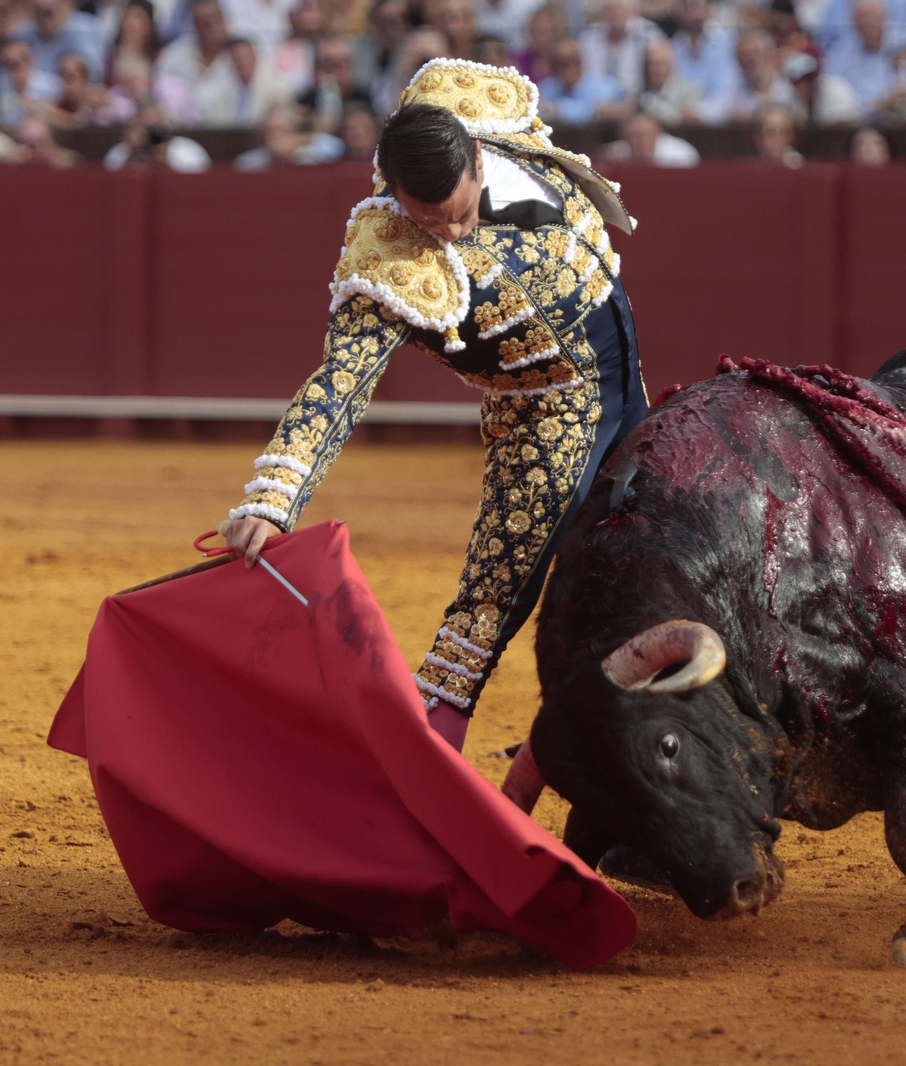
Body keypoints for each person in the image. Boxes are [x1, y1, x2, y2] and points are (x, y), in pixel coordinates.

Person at [221, 59, 647, 765]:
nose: (447, 237)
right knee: (492, 601)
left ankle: (608, 741)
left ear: (478, 160)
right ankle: (417, 757)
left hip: (625, 378)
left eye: (458, 214)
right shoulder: (388, 260)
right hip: (545, 420)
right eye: (428, 221)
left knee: (643, 561)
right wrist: (274, 496)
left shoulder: (473, 114)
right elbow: (340, 384)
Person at [578, 0, 663, 98]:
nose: (615, 14)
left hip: (637, 99)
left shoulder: (647, 34)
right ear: (602, 13)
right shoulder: (588, 38)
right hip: (594, 101)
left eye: (620, 9)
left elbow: (662, 64)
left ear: (631, 11)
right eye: (610, 10)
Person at [537, 35, 623, 121]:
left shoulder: (605, 86)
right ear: (553, 67)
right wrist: (594, 110)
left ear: (582, 61)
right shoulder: (545, 90)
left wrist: (558, 110)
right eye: (562, 63)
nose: (570, 67)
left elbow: (623, 109)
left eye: (574, 60)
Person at [0, 36, 60, 130]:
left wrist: (37, 109)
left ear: (30, 60)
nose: (10, 69)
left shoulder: (52, 86)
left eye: (15, 64)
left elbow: (64, 120)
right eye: (6, 64)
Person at [233, 97, 343, 164]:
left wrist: (297, 142)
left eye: (280, 130)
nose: (276, 138)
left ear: (292, 130)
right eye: (270, 132)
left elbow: (336, 147)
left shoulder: (306, 157)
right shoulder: (251, 162)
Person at [12, 0, 105, 78]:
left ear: (67, 4)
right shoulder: (25, 32)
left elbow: (91, 75)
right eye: (39, 11)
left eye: (48, 12)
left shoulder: (84, 27)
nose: (44, 18)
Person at [102, 108, 213, 168]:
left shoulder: (186, 149)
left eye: (154, 127)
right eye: (145, 127)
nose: (150, 134)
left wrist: (164, 158)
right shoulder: (122, 150)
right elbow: (110, 178)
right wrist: (130, 153)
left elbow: (199, 178)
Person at [636, 33, 702, 125]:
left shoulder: (691, 91)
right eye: (651, 64)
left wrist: (649, 102)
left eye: (661, 64)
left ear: (672, 65)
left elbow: (678, 119)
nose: (656, 69)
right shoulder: (638, 89)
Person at [601, 107, 699, 164]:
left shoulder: (681, 153)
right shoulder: (620, 151)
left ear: (657, 134)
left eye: (645, 134)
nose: (639, 140)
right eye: (633, 136)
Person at [752, 99, 802, 164]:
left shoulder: (800, 167)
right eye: (770, 132)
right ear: (758, 137)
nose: (778, 138)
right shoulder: (749, 166)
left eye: (783, 132)